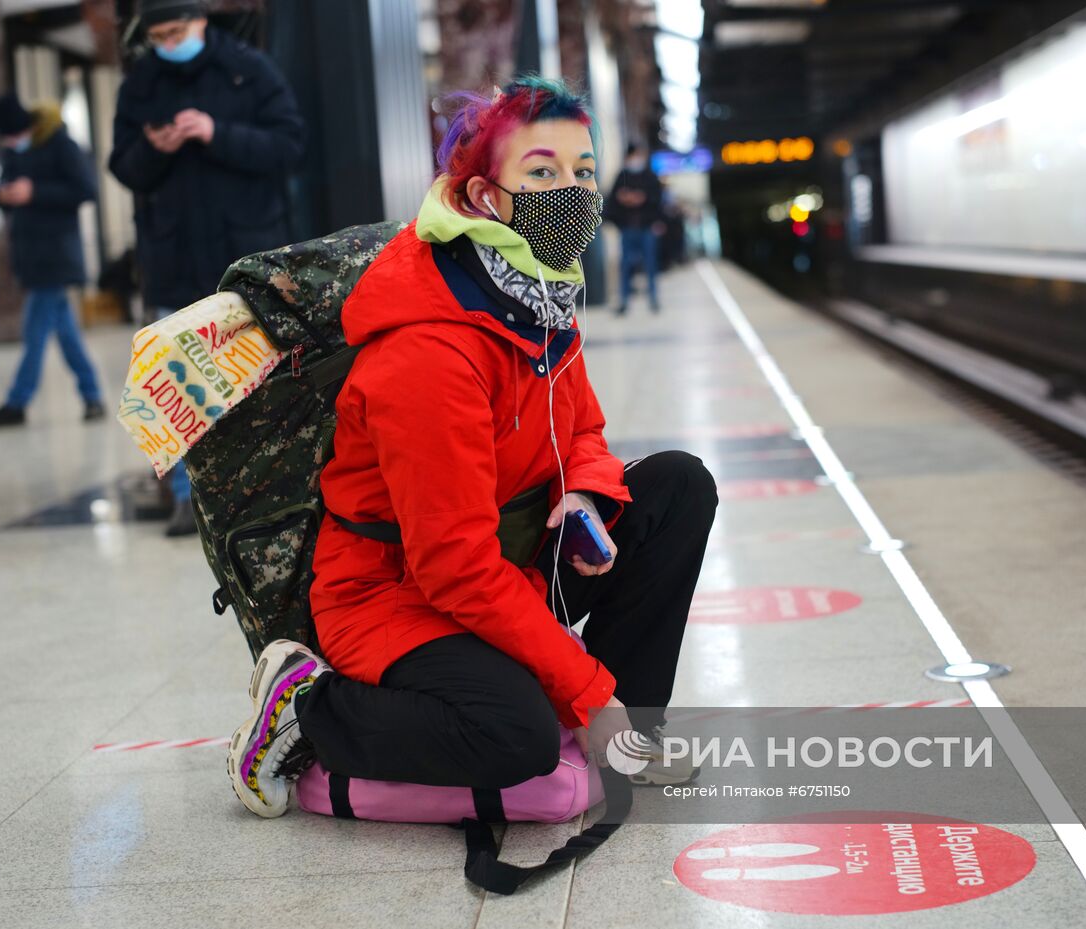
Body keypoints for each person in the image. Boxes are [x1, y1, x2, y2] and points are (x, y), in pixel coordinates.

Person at [225, 78, 718, 818]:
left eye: (584, 171)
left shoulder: (537, 294)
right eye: (544, 173)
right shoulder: (430, 351)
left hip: (505, 556)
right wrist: (584, 689)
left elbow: (581, 426)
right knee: (512, 734)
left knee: (678, 486)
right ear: (488, 198)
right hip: (393, 593)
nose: (575, 192)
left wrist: (581, 491)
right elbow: (452, 567)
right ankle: (310, 707)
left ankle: (624, 738)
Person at [109, 0, 304, 536]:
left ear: (200, 23)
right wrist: (156, 148)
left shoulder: (248, 68)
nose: (170, 43)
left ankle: (268, 494)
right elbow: (123, 166)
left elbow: (288, 145)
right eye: (159, 36)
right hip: (173, 255)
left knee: (257, 378)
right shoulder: (140, 83)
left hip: (246, 255)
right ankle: (186, 499)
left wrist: (216, 133)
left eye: (178, 31)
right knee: (176, 378)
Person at [0, 93, 104, 428]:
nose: (11, 143)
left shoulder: (62, 144)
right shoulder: (12, 150)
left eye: (15, 136)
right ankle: (92, 396)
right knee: (65, 333)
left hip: (56, 255)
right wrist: (2, 196)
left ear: (28, 127)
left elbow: (86, 189)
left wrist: (36, 192)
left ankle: (17, 403)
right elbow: (3, 187)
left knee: (34, 331)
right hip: (29, 255)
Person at [604, 142, 665, 316]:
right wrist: (624, 198)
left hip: (646, 227)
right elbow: (613, 199)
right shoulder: (621, 176)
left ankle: (653, 298)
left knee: (650, 264)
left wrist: (642, 198)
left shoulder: (650, 176)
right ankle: (623, 300)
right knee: (626, 265)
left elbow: (657, 199)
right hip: (627, 227)